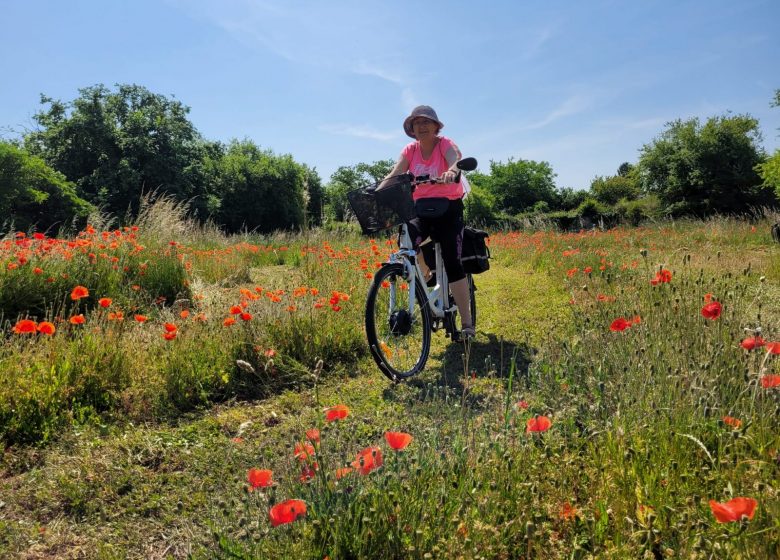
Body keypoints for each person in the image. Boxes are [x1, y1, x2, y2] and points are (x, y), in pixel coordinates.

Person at [382, 105, 474, 338]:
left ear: (435, 126)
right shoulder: (410, 150)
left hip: (448, 209)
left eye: (426, 122)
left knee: (453, 263)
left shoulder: (444, 145)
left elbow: (455, 160)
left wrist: (452, 172)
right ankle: (425, 273)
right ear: (412, 129)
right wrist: (379, 191)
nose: (421, 127)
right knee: (406, 243)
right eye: (416, 123)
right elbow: (395, 173)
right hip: (420, 210)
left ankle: (467, 325)